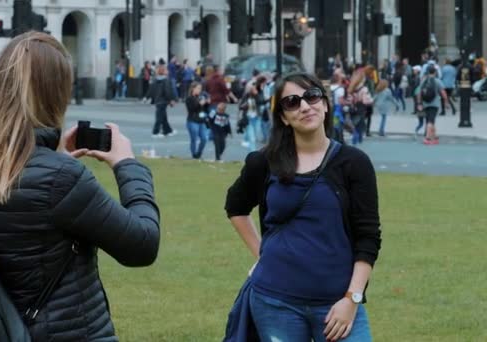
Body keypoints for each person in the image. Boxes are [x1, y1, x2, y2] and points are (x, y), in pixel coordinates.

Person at [0, 32, 160, 341]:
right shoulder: (62, 179)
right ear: (54, 95)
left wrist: (51, 158)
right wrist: (128, 165)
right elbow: (142, 244)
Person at [225, 72, 381, 342]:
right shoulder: (264, 162)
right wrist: (263, 254)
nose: (305, 106)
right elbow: (235, 207)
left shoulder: (353, 163)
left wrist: (352, 299)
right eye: (292, 102)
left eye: (312, 97)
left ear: (325, 104)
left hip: (336, 301)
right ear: (283, 117)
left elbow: (368, 237)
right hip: (275, 301)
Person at [416, 65, 448, 145]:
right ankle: (427, 138)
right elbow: (443, 93)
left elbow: (418, 93)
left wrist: (419, 103)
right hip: (434, 104)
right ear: (435, 72)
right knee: (430, 121)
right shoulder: (437, 81)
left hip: (425, 104)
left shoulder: (424, 81)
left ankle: (435, 137)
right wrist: (446, 102)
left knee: (430, 120)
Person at [146, 64, 177, 138]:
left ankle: (168, 130)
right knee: (159, 117)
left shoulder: (155, 80)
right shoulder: (166, 80)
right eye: (166, 70)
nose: (168, 71)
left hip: (158, 100)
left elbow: (151, 90)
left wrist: (148, 97)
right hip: (163, 100)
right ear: (164, 72)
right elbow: (168, 91)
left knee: (163, 117)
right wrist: (171, 100)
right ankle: (155, 132)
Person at [185, 81, 209, 159]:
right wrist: (200, 104)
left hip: (201, 121)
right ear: (193, 89)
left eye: (200, 88)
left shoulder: (200, 97)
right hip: (192, 121)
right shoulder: (189, 98)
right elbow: (192, 109)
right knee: (194, 139)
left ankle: (199, 152)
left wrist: (207, 103)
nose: (199, 90)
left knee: (204, 138)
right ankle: (194, 154)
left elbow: (204, 109)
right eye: (198, 88)